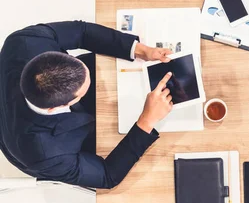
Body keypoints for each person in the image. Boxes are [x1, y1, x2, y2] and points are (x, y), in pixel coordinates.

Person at [0, 21, 174, 189]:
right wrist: (146, 122)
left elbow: (81, 31)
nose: (92, 81)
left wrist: (138, 49)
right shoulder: (46, 154)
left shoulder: (25, 40)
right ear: (57, 107)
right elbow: (107, 175)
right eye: (84, 89)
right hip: (60, 140)